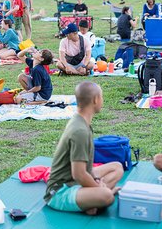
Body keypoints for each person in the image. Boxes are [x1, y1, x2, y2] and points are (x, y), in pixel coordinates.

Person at [44, 81, 124, 214]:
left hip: (76, 182)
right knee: (107, 196)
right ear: (95, 99)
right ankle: (94, 199)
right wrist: (99, 187)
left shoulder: (80, 121)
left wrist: (95, 180)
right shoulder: (80, 130)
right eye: (102, 97)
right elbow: (79, 174)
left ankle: (90, 201)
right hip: (60, 191)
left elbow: (84, 170)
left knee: (117, 167)